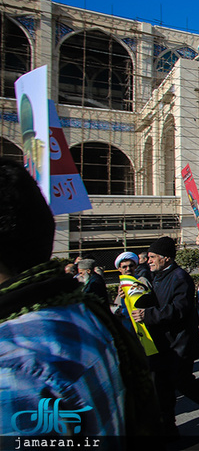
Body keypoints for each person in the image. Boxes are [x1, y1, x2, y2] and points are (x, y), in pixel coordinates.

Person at [0, 158, 161, 438]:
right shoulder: (88, 315)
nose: (127, 269)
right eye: (123, 266)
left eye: (131, 265)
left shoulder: (16, 367)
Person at [131, 236, 199, 439]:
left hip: (179, 343)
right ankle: (169, 429)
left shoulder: (180, 278)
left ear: (166, 258)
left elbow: (179, 309)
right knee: (161, 387)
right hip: (160, 343)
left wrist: (148, 315)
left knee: (182, 382)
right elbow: (153, 299)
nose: (148, 261)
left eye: (152, 257)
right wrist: (132, 296)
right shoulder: (156, 276)